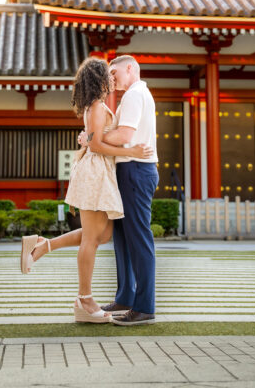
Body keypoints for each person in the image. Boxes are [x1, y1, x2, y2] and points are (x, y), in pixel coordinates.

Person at [19, 57, 153, 323]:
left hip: (100, 171)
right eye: (109, 75)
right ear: (100, 79)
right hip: (96, 172)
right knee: (93, 238)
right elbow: (98, 145)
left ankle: (42, 246)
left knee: (103, 234)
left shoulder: (99, 105)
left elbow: (94, 141)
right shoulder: (98, 106)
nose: (113, 80)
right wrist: (130, 149)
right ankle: (85, 300)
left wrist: (90, 139)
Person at [92, 54, 160, 326]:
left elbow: (124, 136)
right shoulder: (135, 94)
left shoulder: (134, 95)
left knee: (138, 237)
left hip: (135, 169)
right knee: (122, 236)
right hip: (131, 169)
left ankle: (144, 306)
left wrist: (93, 138)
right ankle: (126, 296)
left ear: (130, 68)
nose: (111, 78)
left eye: (114, 72)